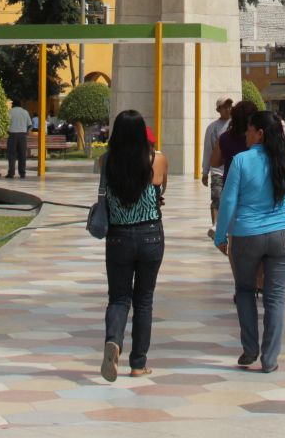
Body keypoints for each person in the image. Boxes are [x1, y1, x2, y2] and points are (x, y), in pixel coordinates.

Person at [213, 109, 285, 373]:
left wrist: (221, 235)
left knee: (245, 290)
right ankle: (270, 359)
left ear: (260, 133)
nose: (245, 133)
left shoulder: (240, 161)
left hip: (247, 234)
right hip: (282, 234)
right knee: (275, 298)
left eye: (249, 129)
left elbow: (228, 201)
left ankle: (250, 349)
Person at [98, 110, 167, 381]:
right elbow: (160, 189)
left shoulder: (106, 162)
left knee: (118, 297)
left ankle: (113, 340)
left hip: (118, 236)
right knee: (144, 300)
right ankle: (138, 363)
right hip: (150, 234)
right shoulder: (156, 160)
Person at [202, 98, 234, 231]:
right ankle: (215, 225)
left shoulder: (236, 125)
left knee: (231, 198)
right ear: (218, 110)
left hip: (233, 168)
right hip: (217, 169)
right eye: (224, 107)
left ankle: (230, 225)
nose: (228, 109)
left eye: (229, 106)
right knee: (217, 196)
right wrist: (205, 172)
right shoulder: (212, 128)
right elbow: (208, 149)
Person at [6, 98, 32, 178]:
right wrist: (25, 132)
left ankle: (11, 173)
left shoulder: (10, 112)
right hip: (22, 135)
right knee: (22, 155)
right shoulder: (25, 112)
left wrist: (8, 132)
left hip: (12, 135)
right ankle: (22, 172)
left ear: (13, 105)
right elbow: (29, 125)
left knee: (11, 155)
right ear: (20, 105)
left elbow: (6, 123)